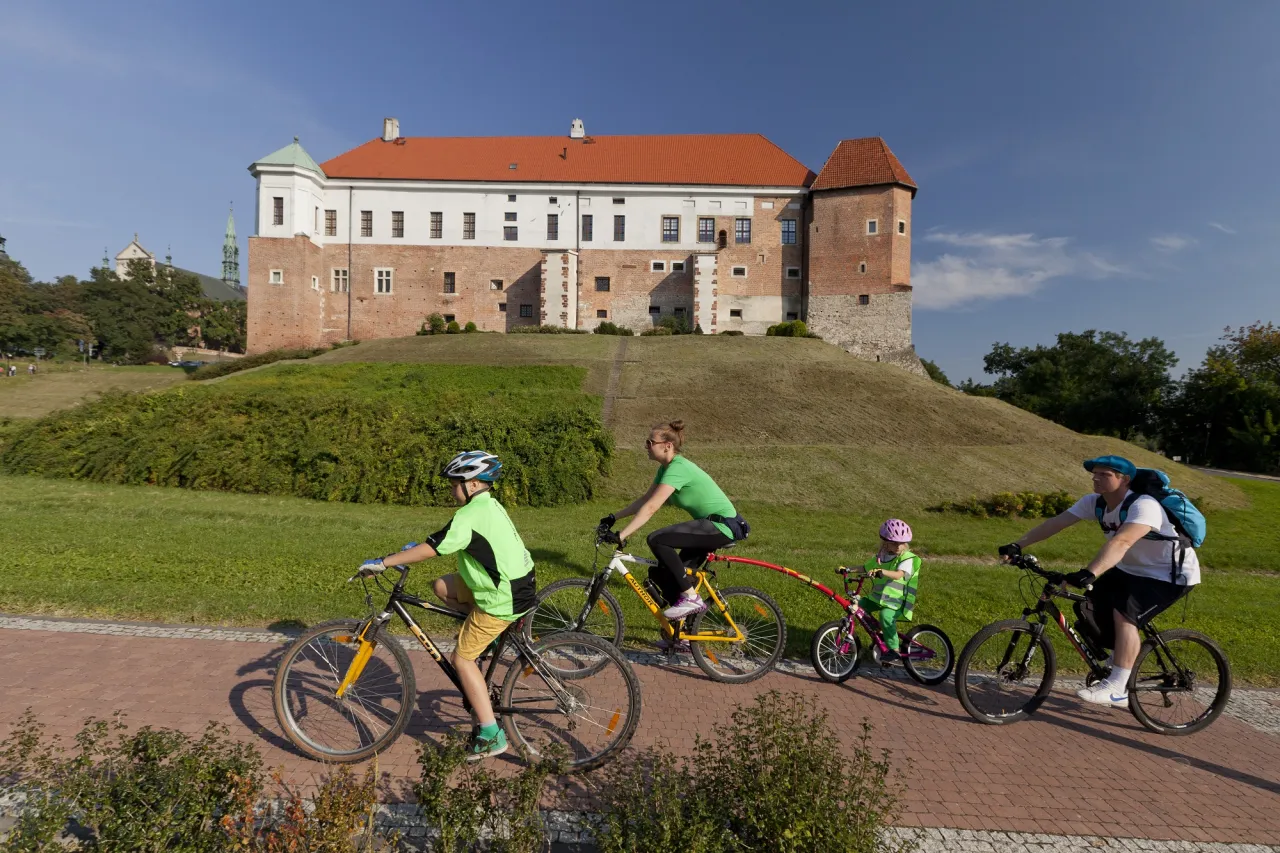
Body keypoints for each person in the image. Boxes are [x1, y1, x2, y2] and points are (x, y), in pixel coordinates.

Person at [357, 450, 536, 760]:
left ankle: (492, 734)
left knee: (462, 659)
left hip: (502, 596)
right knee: (441, 586)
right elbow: (444, 539)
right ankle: (489, 637)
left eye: (456, 483)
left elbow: (435, 548)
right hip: (512, 583)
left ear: (475, 484)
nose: (452, 490)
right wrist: (419, 546)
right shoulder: (487, 505)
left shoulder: (470, 514)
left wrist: (384, 563)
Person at [1000, 455, 1200, 708]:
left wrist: (1090, 572)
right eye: (1094, 473)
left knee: (1125, 615)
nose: (1096, 478)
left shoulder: (1144, 505)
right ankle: (1119, 659)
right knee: (1089, 605)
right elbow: (1056, 523)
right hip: (1131, 570)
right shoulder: (1095, 503)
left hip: (1170, 575)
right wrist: (1018, 544)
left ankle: (1118, 688)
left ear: (1124, 479)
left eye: (1105, 474)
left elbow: (1122, 541)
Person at [600, 420, 748, 636]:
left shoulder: (678, 468)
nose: (646, 446)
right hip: (710, 526)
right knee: (664, 573)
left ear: (667, 445)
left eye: (650, 442)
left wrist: (622, 534)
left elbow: (651, 508)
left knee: (658, 540)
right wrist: (614, 517)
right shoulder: (666, 469)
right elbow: (646, 499)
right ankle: (685, 634)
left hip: (722, 526)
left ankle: (691, 598)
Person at [852, 519, 921, 664]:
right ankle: (879, 635)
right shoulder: (881, 557)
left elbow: (899, 574)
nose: (898, 546)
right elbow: (865, 568)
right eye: (894, 543)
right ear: (885, 542)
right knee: (858, 607)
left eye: (901, 543)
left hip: (896, 601)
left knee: (885, 616)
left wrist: (882, 571)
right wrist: (847, 569)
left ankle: (894, 650)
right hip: (877, 598)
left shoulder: (906, 558)